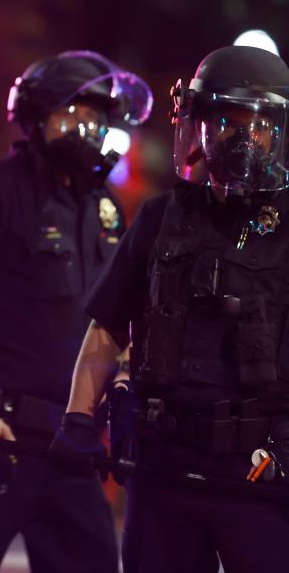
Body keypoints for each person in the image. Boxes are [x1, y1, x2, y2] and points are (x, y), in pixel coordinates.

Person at [51, 45, 289, 572]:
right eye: (226, 120)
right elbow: (108, 327)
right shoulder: (162, 218)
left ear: (278, 131)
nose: (242, 138)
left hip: (264, 475)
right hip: (164, 473)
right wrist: (77, 419)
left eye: (257, 124)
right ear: (199, 128)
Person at [0, 50, 152, 572]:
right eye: (75, 114)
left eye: (99, 116)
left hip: (71, 443)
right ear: (37, 119)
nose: (90, 128)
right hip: (1, 434)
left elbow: (115, 318)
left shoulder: (104, 204)